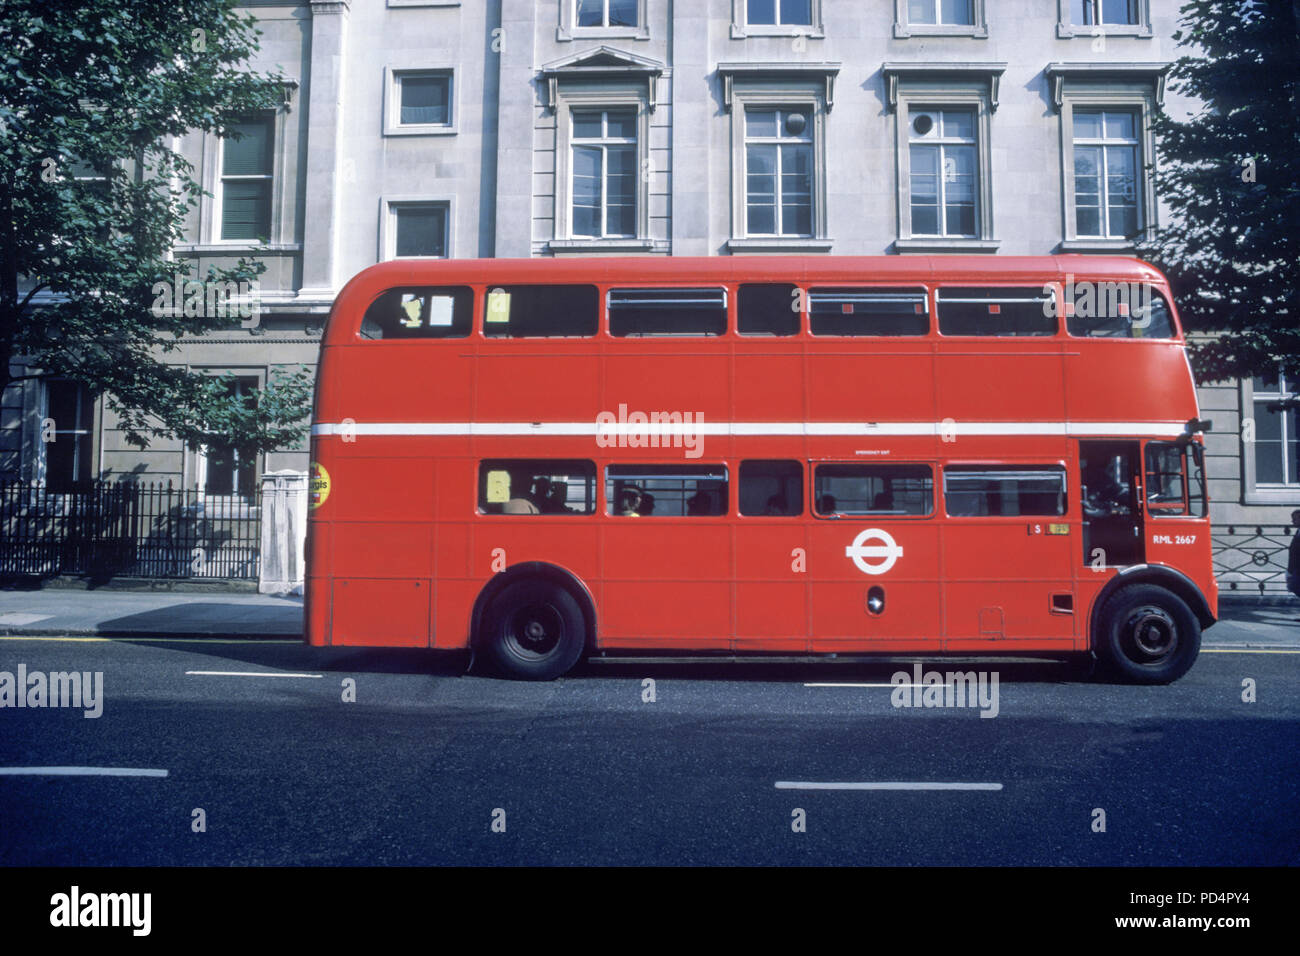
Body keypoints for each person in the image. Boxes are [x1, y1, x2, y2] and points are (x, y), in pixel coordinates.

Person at [1288, 510, 1300, 617]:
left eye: (1295, 519)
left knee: (1296, 587)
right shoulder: (1298, 531)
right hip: (1296, 566)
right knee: (1295, 587)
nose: (1292, 522)